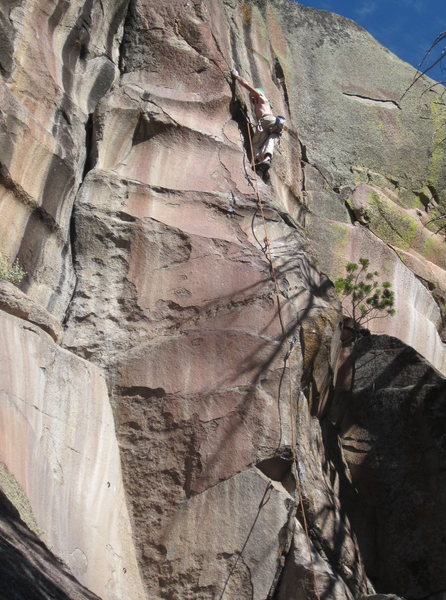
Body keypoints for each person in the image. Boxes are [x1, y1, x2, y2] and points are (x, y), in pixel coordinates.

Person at [231, 69, 285, 171]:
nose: (251, 98)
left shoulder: (260, 96)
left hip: (267, 120)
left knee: (255, 145)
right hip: (275, 124)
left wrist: (237, 76)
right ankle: (266, 159)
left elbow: (246, 84)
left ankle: (257, 160)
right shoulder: (266, 104)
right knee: (272, 138)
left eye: (251, 96)